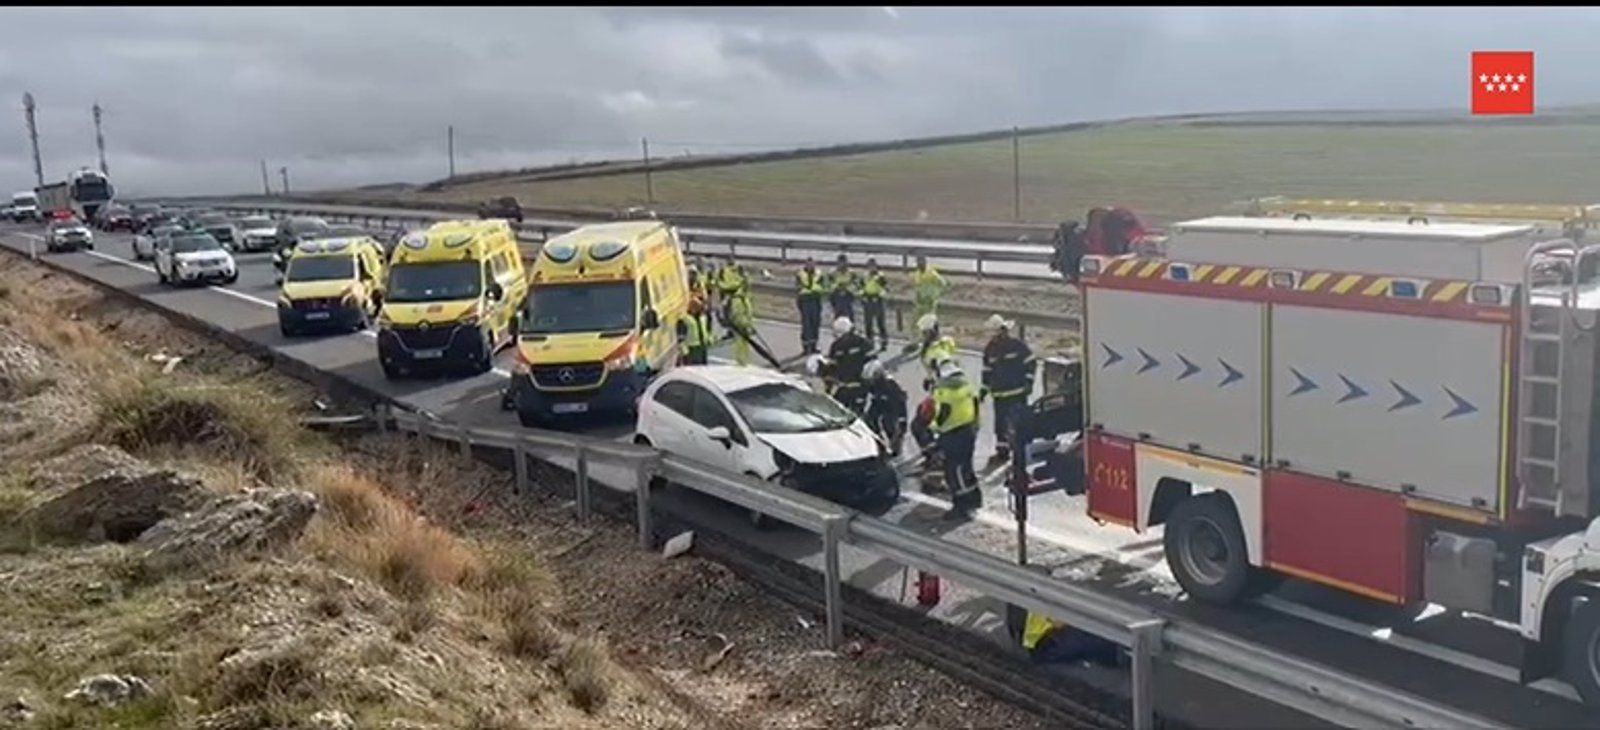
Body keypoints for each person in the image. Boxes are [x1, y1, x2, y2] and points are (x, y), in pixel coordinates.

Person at [981, 314, 1036, 466]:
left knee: (1020, 423)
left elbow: (1031, 362)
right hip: (999, 395)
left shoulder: (1017, 346)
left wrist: (1029, 381)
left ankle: (1021, 452)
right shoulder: (990, 349)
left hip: (1018, 393)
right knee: (1000, 424)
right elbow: (987, 371)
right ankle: (1003, 452)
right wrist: (983, 390)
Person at [931, 360, 982, 520]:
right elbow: (976, 406)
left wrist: (934, 429)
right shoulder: (968, 386)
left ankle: (962, 506)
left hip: (952, 435)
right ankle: (974, 499)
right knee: (966, 467)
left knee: (954, 472)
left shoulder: (943, 392)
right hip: (969, 431)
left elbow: (941, 415)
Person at [824, 317, 872, 416]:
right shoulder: (836, 346)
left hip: (860, 386)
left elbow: (872, 364)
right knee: (835, 412)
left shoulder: (862, 343)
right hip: (844, 387)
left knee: (857, 415)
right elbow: (831, 367)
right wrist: (827, 388)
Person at [864, 359, 908, 457]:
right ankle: (879, 445)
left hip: (892, 408)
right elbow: (874, 399)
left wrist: (902, 421)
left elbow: (901, 404)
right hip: (880, 404)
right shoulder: (874, 386)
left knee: (889, 425)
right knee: (868, 421)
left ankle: (896, 450)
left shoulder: (892, 386)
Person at [915, 313, 958, 390]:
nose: (923, 336)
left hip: (945, 386)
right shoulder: (947, 342)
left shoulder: (942, 345)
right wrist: (929, 378)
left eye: (924, 333)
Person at [795, 258, 827, 355]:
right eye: (808, 264)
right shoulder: (800, 274)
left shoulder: (819, 274)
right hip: (805, 301)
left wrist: (816, 290)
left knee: (815, 324)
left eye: (812, 264)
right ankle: (806, 348)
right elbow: (798, 287)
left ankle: (814, 346)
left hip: (815, 300)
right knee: (806, 325)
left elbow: (824, 287)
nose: (810, 266)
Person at [860, 258, 890, 350]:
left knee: (880, 322)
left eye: (873, 266)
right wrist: (863, 296)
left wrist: (880, 296)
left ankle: (883, 342)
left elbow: (886, 289)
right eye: (869, 266)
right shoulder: (864, 276)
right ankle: (870, 342)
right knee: (868, 323)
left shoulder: (880, 276)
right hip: (868, 300)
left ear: (876, 266)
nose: (871, 268)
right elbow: (860, 287)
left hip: (878, 301)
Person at [677, 296, 714, 366]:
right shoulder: (684, 319)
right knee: (694, 368)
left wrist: (709, 338)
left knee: (704, 366)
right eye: (698, 307)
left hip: (702, 346)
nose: (700, 310)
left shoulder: (702, 317)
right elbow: (681, 338)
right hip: (692, 349)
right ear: (692, 308)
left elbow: (708, 329)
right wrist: (685, 351)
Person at [716, 256, 748, 336]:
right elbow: (719, 283)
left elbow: (745, 281)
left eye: (731, 259)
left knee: (743, 310)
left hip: (737, 294)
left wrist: (742, 290)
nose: (730, 261)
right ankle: (730, 329)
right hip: (728, 293)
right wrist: (723, 293)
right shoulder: (722, 270)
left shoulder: (739, 268)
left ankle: (743, 327)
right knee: (724, 311)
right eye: (728, 259)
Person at [912, 255, 948, 324]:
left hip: (931, 299)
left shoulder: (931, 272)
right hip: (922, 300)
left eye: (921, 263)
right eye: (918, 263)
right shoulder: (917, 274)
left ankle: (933, 331)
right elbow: (918, 287)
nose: (919, 265)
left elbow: (942, 283)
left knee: (931, 317)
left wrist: (938, 293)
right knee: (921, 318)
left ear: (925, 263)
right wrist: (917, 297)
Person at [724, 290, 755, 366]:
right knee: (743, 342)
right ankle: (742, 360)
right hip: (744, 322)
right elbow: (749, 311)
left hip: (740, 323)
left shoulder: (737, 299)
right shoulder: (744, 298)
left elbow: (736, 313)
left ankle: (741, 360)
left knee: (740, 341)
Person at [828, 255, 860, 326]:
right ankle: (837, 331)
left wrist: (846, 289)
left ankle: (850, 330)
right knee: (837, 315)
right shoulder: (833, 273)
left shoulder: (852, 273)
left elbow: (856, 285)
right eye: (840, 262)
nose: (841, 264)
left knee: (849, 315)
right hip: (837, 296)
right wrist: (838, 288)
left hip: (847, 296)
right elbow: (830, 284)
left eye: (843, 262)